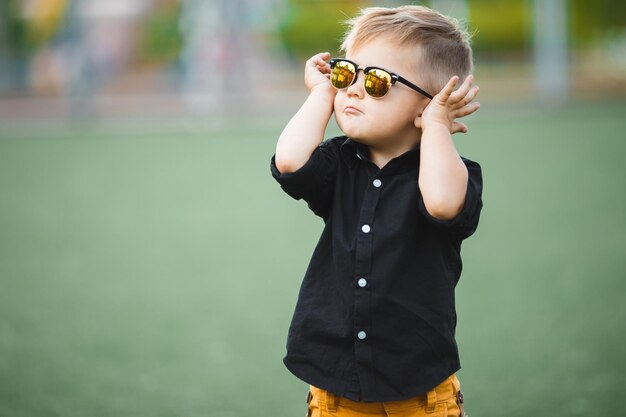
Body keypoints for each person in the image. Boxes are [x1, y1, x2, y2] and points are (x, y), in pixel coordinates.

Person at [270, 5, 482, 417]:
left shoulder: (451, 173)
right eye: (347, 73)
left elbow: (442, 204)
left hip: (420, 391)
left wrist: (435, 125)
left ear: (428, 103)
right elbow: (290, 161)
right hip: (337, 387)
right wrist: (321, 93)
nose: (353, 89)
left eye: (378, 81)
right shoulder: (339, 162)